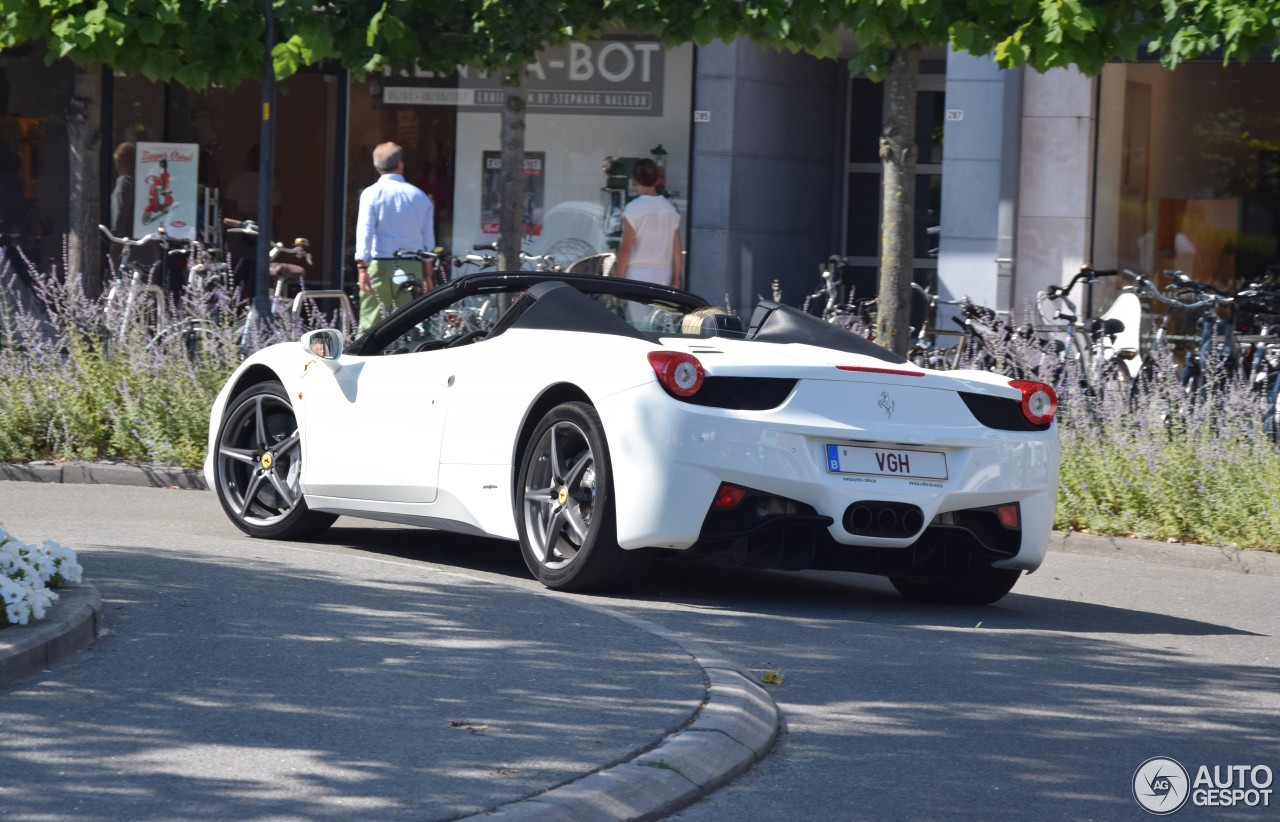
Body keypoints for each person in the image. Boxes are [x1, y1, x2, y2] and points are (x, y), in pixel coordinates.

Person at [354, 142, 436, 335]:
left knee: (369, 326)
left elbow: (365, 231)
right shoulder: (419, 196)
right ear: (400, 164)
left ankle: (361, 362)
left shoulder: (371, 194)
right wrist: (427, 273)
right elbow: (428, 240)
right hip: (412, 266)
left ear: (376, 165)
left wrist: (362, 267)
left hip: (380, 265)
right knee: (411, 326)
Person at [613, 158, 682, 289]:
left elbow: (626, 248)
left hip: (637, 272)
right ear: (657, 180)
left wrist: (618, 278)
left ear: (635, 180)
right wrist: (676, 281)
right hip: (664, 271)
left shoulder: (633, 208)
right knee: (659, 310)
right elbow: (677, 249)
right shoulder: (670, 209)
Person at [109, 142, 135, 240]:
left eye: (117, 162)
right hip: (146, 247)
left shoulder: (124, 183)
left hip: (127, 245)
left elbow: (119, 219)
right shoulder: (141, 183)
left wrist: (113, 243)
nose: (116, 167)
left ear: (122, 162)